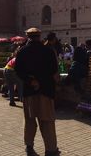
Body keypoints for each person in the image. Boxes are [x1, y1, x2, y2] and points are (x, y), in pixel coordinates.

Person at [15, 28, 60, 156]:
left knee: (29, 121)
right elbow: (54, 70)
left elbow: (18, 71)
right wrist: (43, 81)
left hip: (30, 91)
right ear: (39, 37)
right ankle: (51, 150)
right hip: (45, 91)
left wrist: (31, 81)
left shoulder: (22, 51)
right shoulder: (48, 51)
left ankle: (29, 147)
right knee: (47, 122)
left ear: (28, 37)